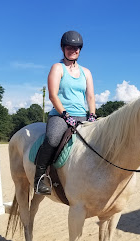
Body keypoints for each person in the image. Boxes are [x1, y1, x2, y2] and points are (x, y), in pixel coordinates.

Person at [34, 30, 97, 195]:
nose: (73, 50)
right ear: (63, 48)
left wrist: (92, 114)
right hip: (61, 116)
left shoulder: (86, 72)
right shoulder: (57, 68)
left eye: (77, 48)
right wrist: (65, 115)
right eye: (70, 47)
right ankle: (39, 177)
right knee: (53, 138)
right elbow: (53, 95)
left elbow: (90, 96)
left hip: (83, 115)